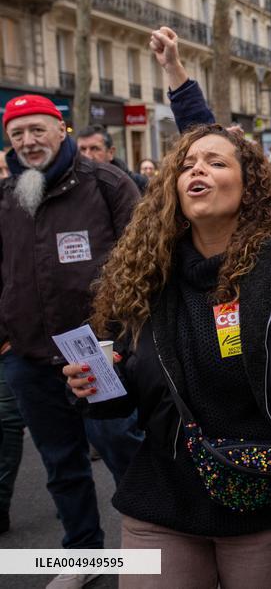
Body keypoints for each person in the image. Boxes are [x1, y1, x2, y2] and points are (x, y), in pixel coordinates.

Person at [63, 124, 271, 588]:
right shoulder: (146, 275)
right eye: (186, 166)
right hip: (165, 494)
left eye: (216, 162)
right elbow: (125, 396)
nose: (197, 171)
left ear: (250, 186)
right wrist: (94, 385)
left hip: (267, 492)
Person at [1, 94, 144, 589]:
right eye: (17, 134)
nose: (27, 141)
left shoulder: (106, 184)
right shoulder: (8, 194)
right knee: (62, 467)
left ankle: (154, 552)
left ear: (60, 128)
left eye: (36, 129)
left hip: (96, 354)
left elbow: (144, 262)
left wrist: (124, 339)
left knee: (126, 454)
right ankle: (83, 560)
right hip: (29, 359)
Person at [76, 125, 148, 192]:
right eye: (82, 149)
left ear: (110, 152)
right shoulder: (71, 185)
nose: (87, 155)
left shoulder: (138, 184)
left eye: (94, 149)